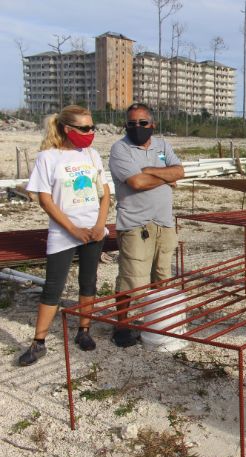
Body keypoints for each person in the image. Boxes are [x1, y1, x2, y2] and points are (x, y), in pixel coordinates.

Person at [18, 105, 110, 366]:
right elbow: (45, 200)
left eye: (92, 127)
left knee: (88, 282)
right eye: (84, 128)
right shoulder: (48, 157)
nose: (90, 132)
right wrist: (72, 230)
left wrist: (99, 224)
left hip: (93, 230)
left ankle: (84, 331)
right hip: (64, 232)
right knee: (53, 287)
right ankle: (39, 342)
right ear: (67, 129)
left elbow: (104, 194)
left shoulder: (92, 155)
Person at [109, 103, 184, 347]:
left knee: (162, 277)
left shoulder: (163, 145)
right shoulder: (120, 149)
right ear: (125, 125)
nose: (137, 128)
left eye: (142, 123)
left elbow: (180, 171)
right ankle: (121, 325)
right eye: (132, 124)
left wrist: (151, 169)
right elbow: (137, 183)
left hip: (164, 222)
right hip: (135, 224)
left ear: (152, 124)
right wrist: (165, 177)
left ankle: (159, 322)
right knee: (132, 278)